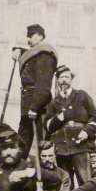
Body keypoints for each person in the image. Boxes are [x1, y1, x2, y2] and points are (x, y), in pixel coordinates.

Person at [45, 65, 96, 187]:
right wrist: (58, 119)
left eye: (67, 77)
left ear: (71, 79)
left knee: (86, 181)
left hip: (81, 144)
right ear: (58, 80)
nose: (64, 80)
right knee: (65, 183)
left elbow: (95, 119)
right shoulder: (54, 102)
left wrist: (86, 131)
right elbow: (48, 126)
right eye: (61, 77)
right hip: (62, 148)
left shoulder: (82, 96)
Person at [17, 24, 58, 158]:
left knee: (43, 144)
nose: (28, 40)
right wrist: (17, 49)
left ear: (40, 36)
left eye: (31, 36)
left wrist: (35, 107)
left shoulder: (45, 54)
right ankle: (18, 169)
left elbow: (44, 84)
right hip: (28, 104)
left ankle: (45, 175)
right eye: (27, 36)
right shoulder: (35, 53)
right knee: (22, 141)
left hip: (39, 106)